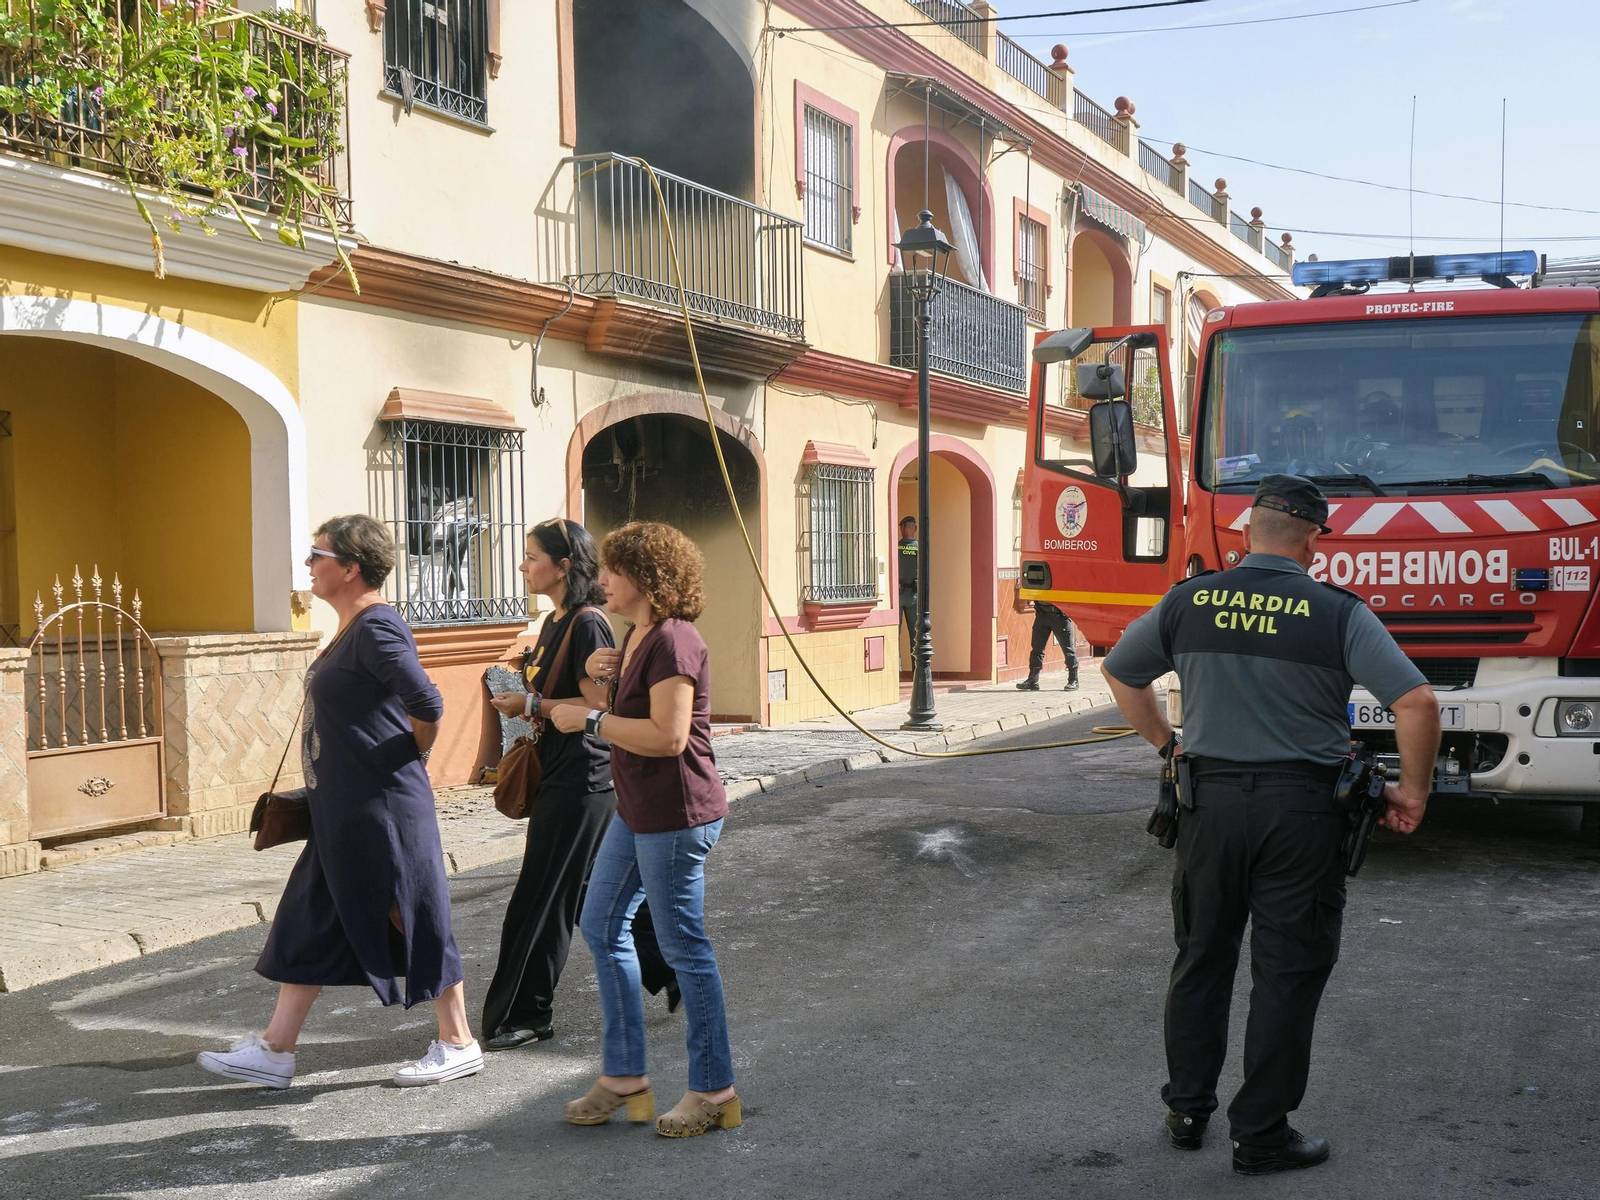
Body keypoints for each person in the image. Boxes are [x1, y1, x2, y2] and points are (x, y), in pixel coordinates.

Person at [1101, 475, 1438, 1176]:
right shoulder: (1336, 612)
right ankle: (1261, 1133)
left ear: (1247, 531)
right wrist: (1414, 790)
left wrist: (1171, 747)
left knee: (1201, 956)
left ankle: (1188, 1109)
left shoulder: (1188, 601)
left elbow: (1123, 674)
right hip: (1302, 814)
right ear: (1313, 538)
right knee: (1287, 971)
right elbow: (1416, 701)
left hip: (1208, 807)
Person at [198, 515, 481, 1090]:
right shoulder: (354, 628)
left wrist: (402, 759)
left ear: (350, 568)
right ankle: (276, 1050)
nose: (308, 564)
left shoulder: (376, 628)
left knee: (409, 913)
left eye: (317, 554)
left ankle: (459, 1042)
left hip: (380, 805)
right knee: (310, 916)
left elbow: (427, 701)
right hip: (343, 807)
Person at [548, 520, 739, 1138]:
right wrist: (605, 678)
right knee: (601, 923)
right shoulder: (637, 636)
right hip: (639, 813)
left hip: (677, 816)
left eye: (612, 570)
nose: (600, 579)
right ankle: (626, 1077)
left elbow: (668, 737)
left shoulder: (674, 641)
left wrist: (592, 719)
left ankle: (714, 1090)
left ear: (646, 578)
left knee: (685, 948)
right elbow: (623, 712)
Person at [481, 519, 678, 1052]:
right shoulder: (552, 623)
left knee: (543, 898)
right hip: (559, 771)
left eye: (531, 557)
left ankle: (529, 1014)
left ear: (563, 566)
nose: (523, 566)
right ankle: (671, 967)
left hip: (582, 780)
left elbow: (597, 707)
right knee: (593, 891)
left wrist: (531, 705)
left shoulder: (588, 622)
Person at [1016, 598, 1079, 692]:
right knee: (1037, 648)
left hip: (1059, 615)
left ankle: (1073, 680)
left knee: (1067, 648)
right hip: (1042, 614)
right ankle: (1033, 680)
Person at [897, 515, 919, 644]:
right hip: (914, 594)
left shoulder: (897, 546)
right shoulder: (919, 548)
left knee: (895, 634)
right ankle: (917, 665)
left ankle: (897, 665)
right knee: (916, 634)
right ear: (915, 528)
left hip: (899, 593)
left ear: (901, 528)